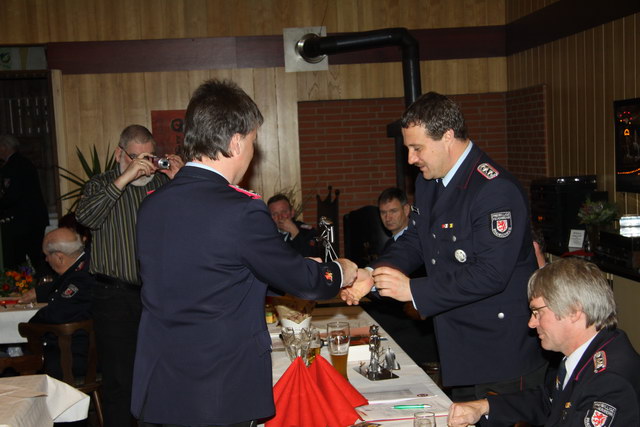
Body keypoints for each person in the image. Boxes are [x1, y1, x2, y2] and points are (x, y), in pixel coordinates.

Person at [131, 79, 357, 427]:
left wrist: (288, 267)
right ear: (236, 142)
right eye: (253, 141)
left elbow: (214, 273)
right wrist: (341, 271)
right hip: (217, 391)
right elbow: (305, 283)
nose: (253, 152)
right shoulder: (240, 209)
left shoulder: (152, 205)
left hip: (161, 385)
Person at [343, 92, 546, 405]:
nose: (411, 159)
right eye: (408, 149)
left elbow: (491, 274)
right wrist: (374, 272)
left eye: (417, 148)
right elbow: (416, 239)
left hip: (499, 351)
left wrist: (413, 290)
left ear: (448, 137)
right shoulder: (429, 182)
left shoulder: (494, 189)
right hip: (459, 347)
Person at [76, 124, 183, 427]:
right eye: (136, 157)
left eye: (149, 157)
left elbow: (193, 223)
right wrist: (124, 179)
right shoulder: (100, 184)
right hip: (113, 296)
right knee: (120, 380)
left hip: (157, 296)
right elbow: (86, 217)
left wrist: (181, 182)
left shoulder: (162, 184)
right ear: (119, 154)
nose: (143, 165)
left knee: (162, 375)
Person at [448, 258, 640, 426]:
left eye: (537, 312)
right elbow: (549, 400)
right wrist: (483, 406)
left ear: (574, 312)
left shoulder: (610, 382)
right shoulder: (593, 349)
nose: (531, 323)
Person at [362, 187, 438, 366]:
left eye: (393, 211)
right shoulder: (392, 243)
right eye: (383, 213)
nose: (388, 217)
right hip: (398, 313)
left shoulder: (417, 245)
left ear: (406, 210)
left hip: (416, 321)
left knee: (366, 327)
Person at [18, 227, 93, 380]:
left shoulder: (79, 279)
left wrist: (29, 324)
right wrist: (39, 292)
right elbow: (62, 284)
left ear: (59, 257)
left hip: (73, 357)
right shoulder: (86, 265)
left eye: (47, 256)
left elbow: (57, 313)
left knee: (19, 360)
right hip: (84, 351)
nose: (46, 260)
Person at [0, 134, 49, 272]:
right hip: (33, 219)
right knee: (36, 257)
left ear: (4, 147)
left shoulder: (12, 166)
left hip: (22, 222)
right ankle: (42, 281)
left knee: (17, 258)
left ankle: (25, 282)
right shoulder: (25, 162)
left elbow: (11, 194)